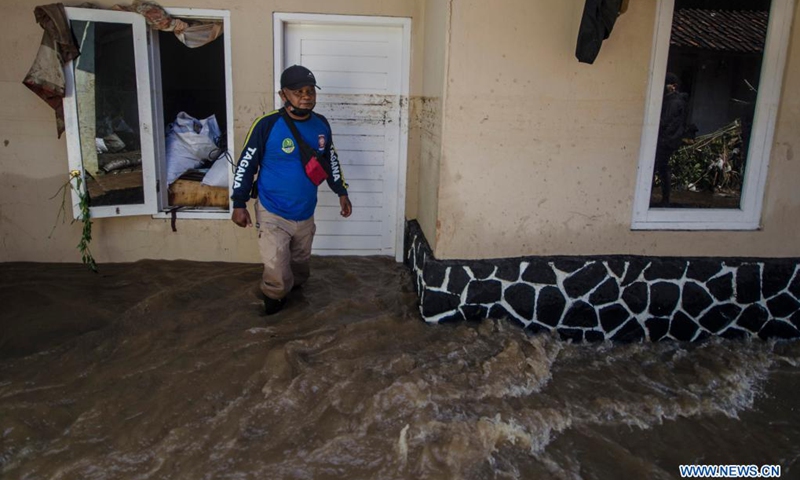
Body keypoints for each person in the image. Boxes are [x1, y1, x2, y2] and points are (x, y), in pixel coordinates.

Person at [231, 65, 352, 315]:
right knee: (276, 267)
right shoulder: (266, 125)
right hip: (273, 210)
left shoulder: (321, 125)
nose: (306, 96)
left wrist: (341, 192)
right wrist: (239, 203)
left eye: (310, 91)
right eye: (298, 91)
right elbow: (246, 164)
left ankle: (297, 304)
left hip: (305, 211)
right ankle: (273, 311)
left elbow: (330, 160)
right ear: (283, 95)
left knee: (299, 265)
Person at [654, 72, 687, 206]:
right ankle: (665, 198)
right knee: (662, 168)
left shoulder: (673, 102)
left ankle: (664, 199)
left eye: (666, 84)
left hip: (666, 140)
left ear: (673, 86)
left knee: (657, 167)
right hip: (669, 139)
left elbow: (665, 122)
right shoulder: (673, 101)